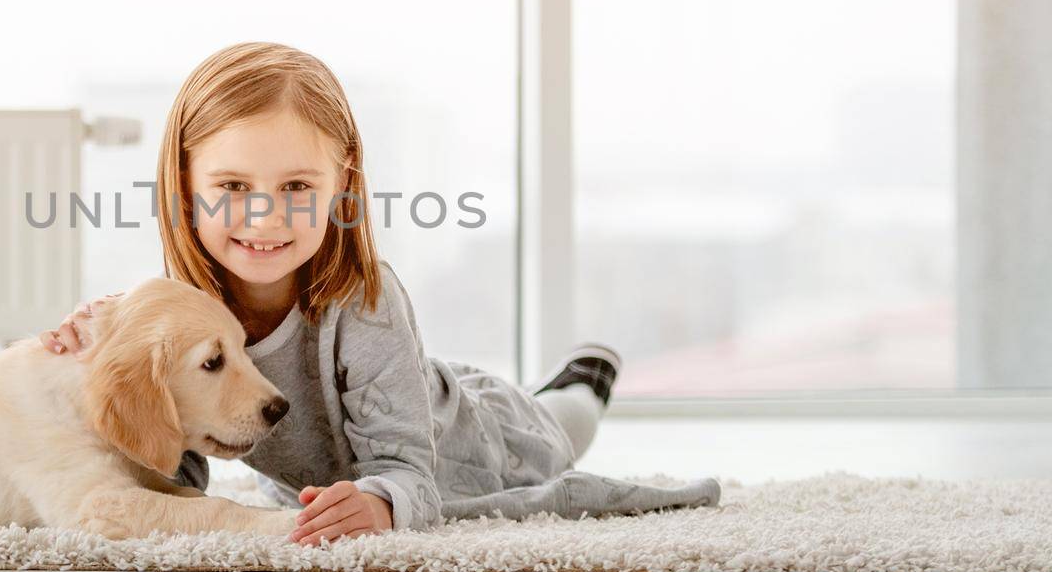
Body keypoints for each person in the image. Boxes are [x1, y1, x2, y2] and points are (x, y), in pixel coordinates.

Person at [42, 41, 720, 546]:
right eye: (233, 188)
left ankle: (585, 379)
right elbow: (176, 454)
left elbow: (409, 475)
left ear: (343, 184)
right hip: (388, 423)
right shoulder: (183, 310)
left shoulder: (362, 300)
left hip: (480, 443)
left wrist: (385, 503)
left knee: (562, 426)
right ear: (185, 185)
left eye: (297, 188)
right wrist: (98, 354)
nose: (263, 217)